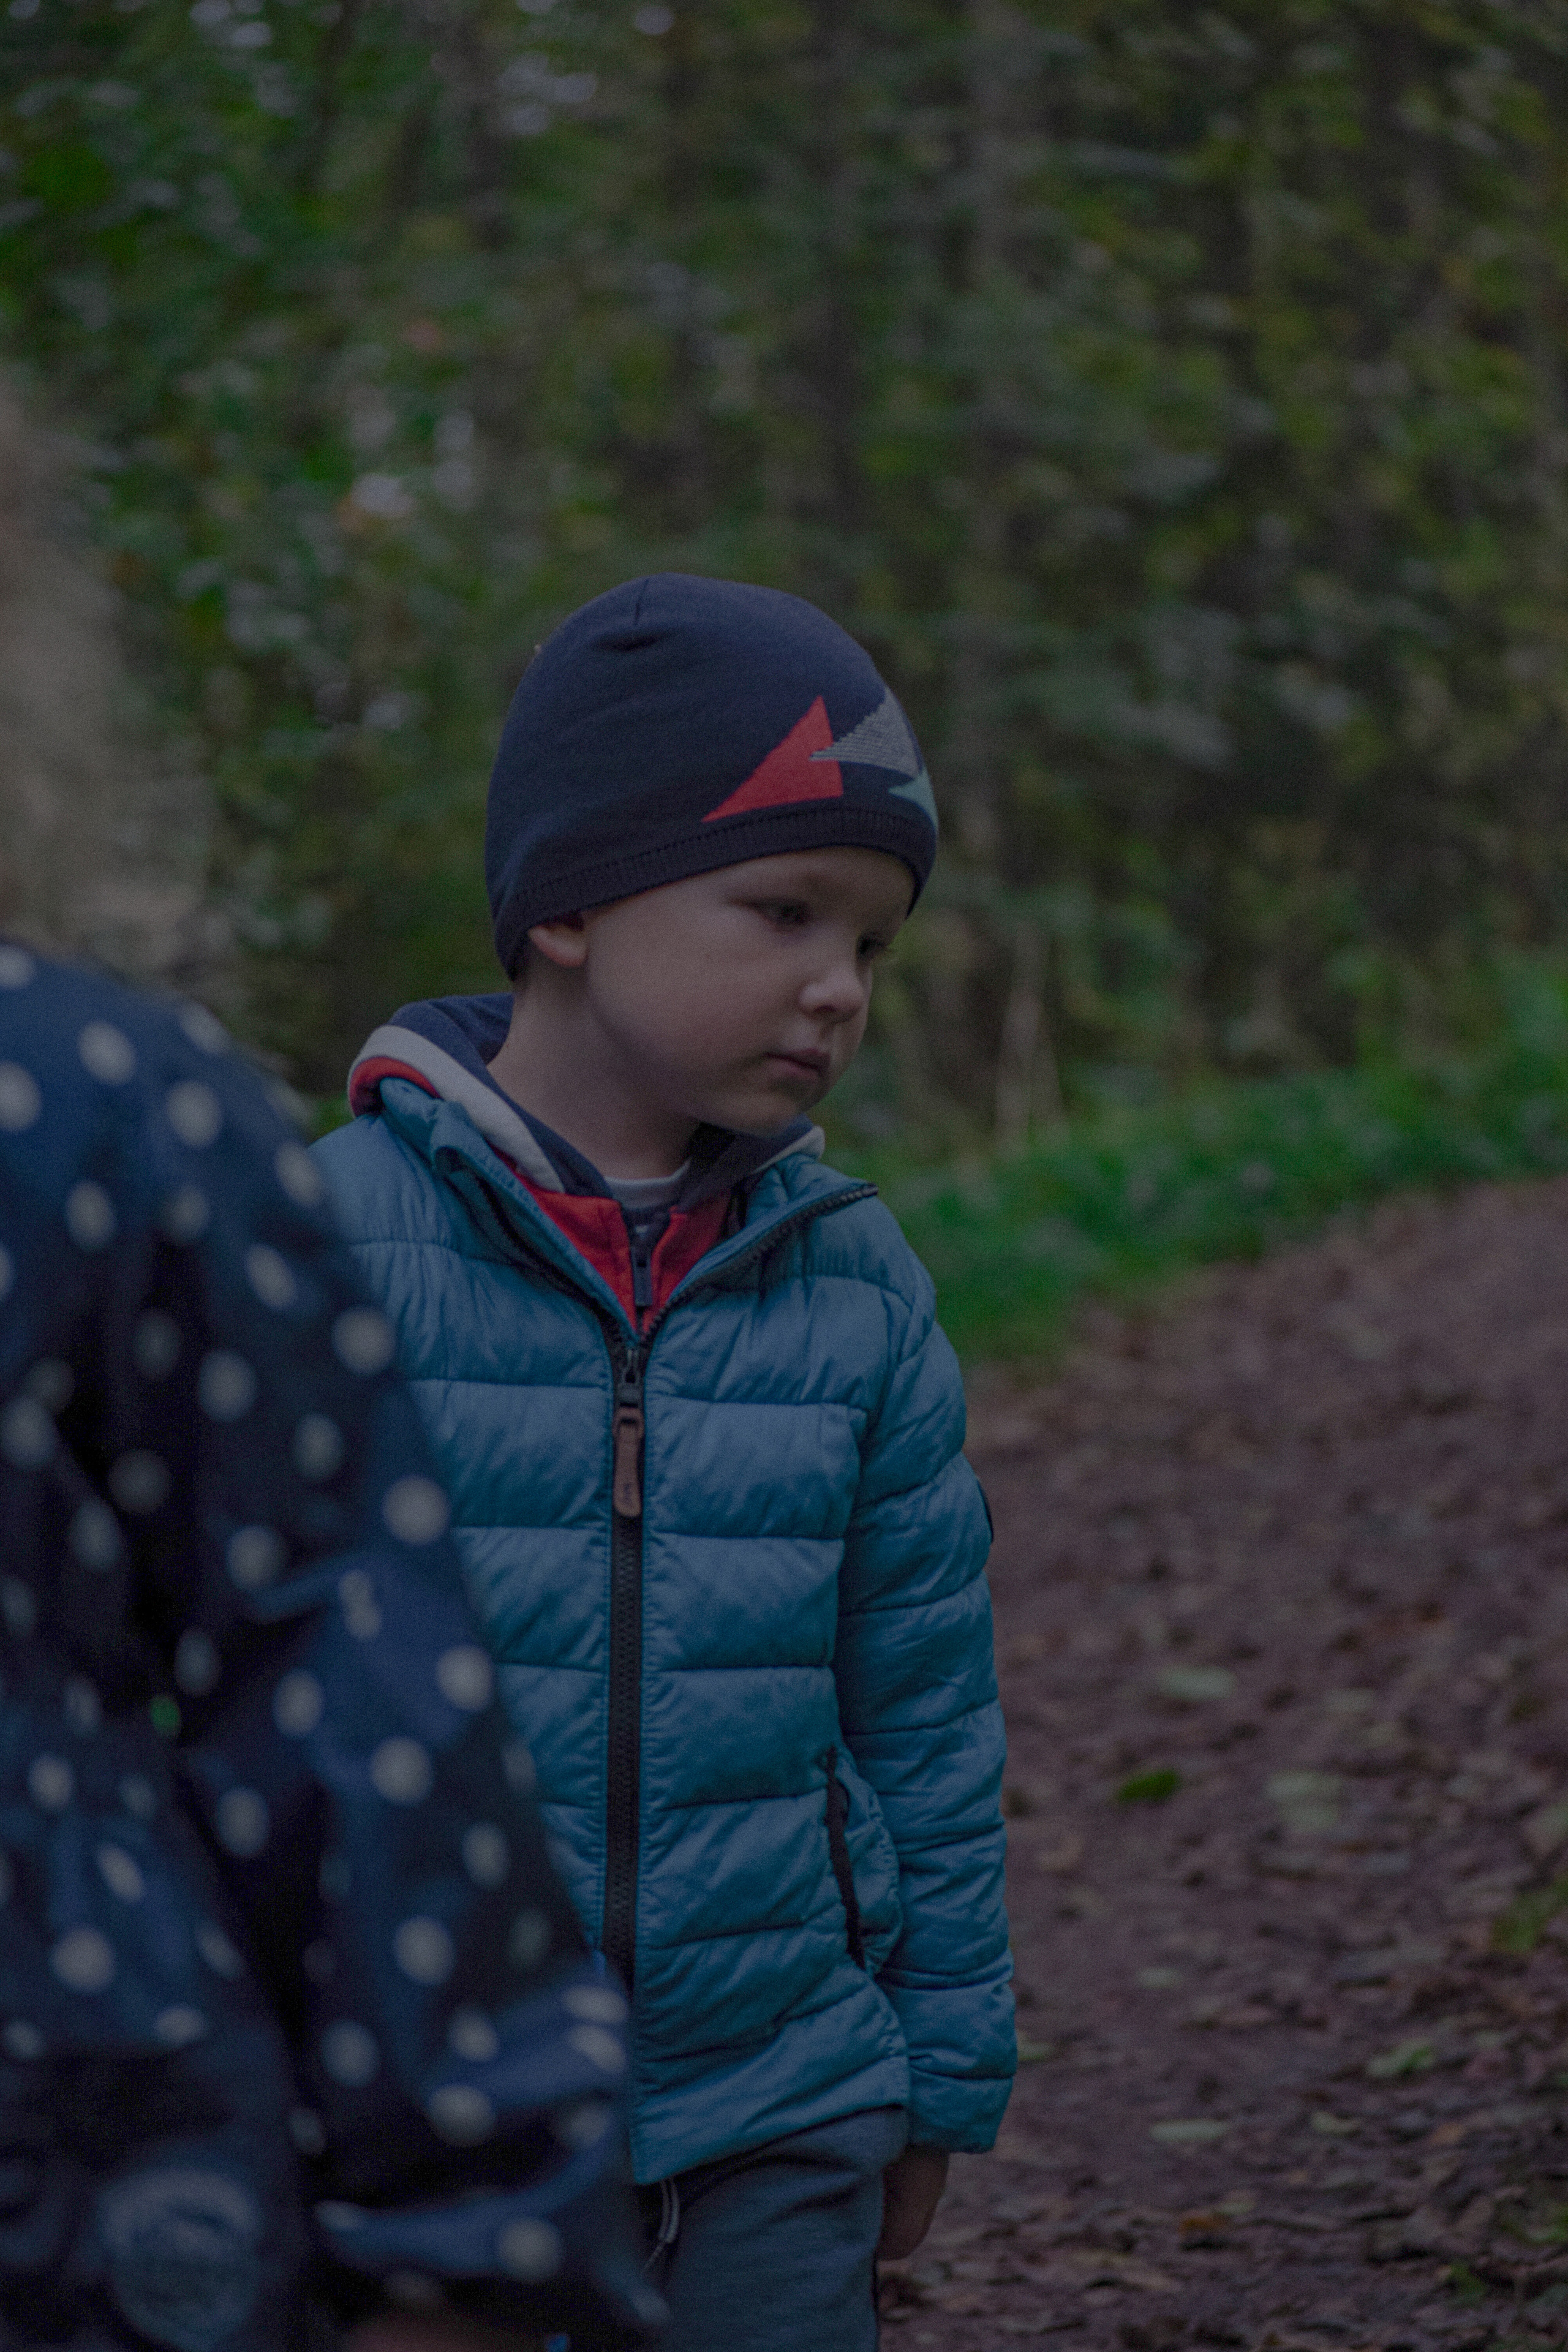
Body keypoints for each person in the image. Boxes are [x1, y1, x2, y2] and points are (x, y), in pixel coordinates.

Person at [312, 574, 1016, 2351]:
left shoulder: (853, 1281)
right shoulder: (320, 1248)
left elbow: (924, 1708)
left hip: (783, 2087)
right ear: (568, 900)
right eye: (782, 910)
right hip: (435, 2102)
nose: (836, 988)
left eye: (869, 941)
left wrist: (938, 2077)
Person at [0, 941, 664, 2352]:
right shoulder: (326, 1179)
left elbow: (333, 1673)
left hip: (91, 2204)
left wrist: (468, 2237)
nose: (840, 985)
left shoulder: (94, 1104)